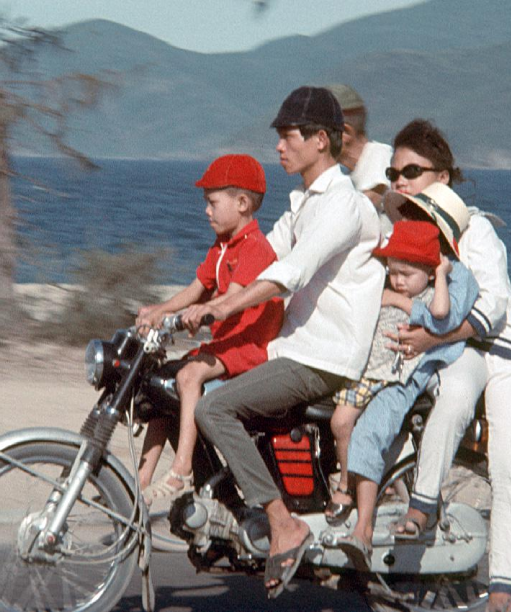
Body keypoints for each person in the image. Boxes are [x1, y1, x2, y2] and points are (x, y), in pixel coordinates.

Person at [182, 86, 384, 599]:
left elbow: (290, 272)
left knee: (216, 410)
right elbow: (260, 257)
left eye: (287, 135)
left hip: (323, 356)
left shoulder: (342, 206)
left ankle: (283, 523)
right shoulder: (302, 204)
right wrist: (184, 303)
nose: (279, 146)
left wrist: (224, 307)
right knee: (193, 384)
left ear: (320, 140)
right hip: (291, 347)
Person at [385, 119, 511, 612]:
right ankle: (421, 507)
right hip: (468, 351)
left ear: (445, 177)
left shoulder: (475, 231)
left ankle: (501, 590)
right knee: (451, 398)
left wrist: (431, 334)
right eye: (394, 173)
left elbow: (492, 306)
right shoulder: (411, 233)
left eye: (412, 170)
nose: (400, 181)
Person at [134, 154, 284, 504]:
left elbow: (226, 301)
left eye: (213, 202)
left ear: (242, 203)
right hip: (226, 344)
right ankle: (140, 480)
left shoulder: (255, 248)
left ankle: (182, 469)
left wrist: (204, 312)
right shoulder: (221, 247)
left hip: (248, 346)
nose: (206, 211)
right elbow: (196, 288)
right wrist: (159, 310)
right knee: (161, 385)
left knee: (188, 377)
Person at [326, 217, 478, 528]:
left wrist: (438, 273)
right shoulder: (386, 288)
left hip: (393, 377)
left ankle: (350, 497)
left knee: (361, 428)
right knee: (338, 421)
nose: (398, 281)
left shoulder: (423, 300)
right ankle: (345, 483)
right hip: (368, 370)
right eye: (393, 273)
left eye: (407, 274)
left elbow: (440, 315)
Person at [325, 83, 394, 233]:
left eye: (320, 132)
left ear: (345, 132)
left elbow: (368, 202)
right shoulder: (361, 170)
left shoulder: (379, 158)